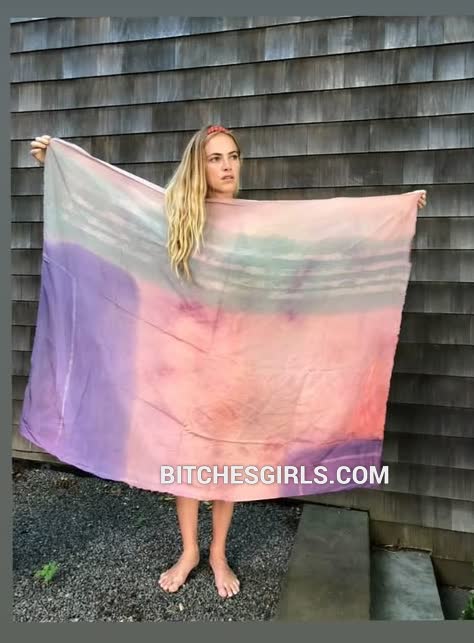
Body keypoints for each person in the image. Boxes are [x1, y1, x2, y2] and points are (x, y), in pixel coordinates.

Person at [29, 128, 428, 599]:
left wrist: (394, 212)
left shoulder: (256, 226)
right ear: (198, 167)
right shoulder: (176, 218)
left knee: (225, 463)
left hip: (238, 365)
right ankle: (189, 551)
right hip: (187, 364)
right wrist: (60, 162)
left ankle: (217, 552)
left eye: (233, 157)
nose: (226, 166)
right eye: (215, 158)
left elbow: (321, 238)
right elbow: (114, 204)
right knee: (184, 461)